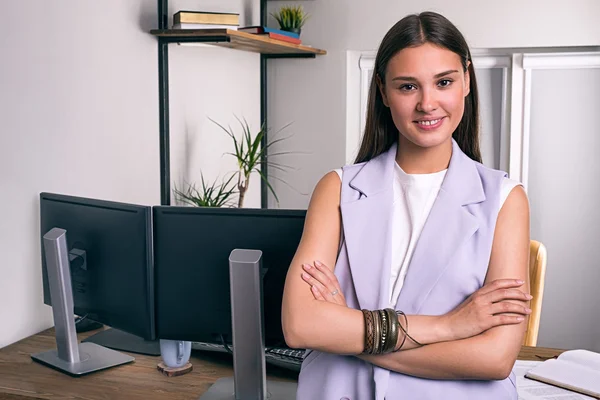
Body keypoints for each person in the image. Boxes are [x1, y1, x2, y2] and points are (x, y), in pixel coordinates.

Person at [281, 11, 531, 400]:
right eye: (408, 86)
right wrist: (451, 326)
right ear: (382, 91)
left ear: (466, 80)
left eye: (444, 82)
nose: (427, 104)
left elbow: (494, 358)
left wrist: (349, 334)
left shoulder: (505, 199)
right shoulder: (337, 188)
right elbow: (300, 326)